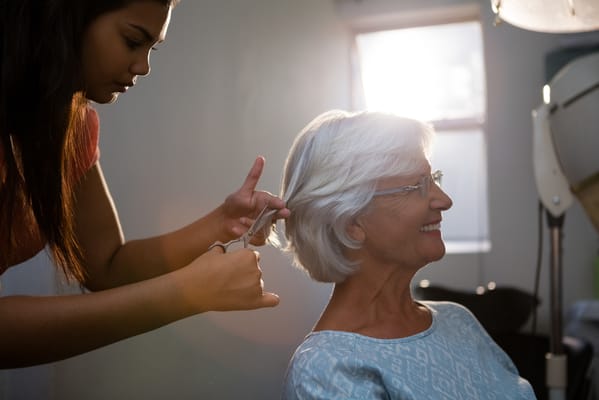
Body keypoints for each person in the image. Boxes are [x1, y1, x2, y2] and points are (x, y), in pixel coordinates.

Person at [0, 0, 289, 368]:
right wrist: (186, 294)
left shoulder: (69, 129)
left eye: (152, 48)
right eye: (132, 41)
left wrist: (220, 223)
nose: (144, 67)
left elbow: (107, 265)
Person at [276, 110, 536, 399]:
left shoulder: (457, 320)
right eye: (418, 186)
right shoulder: (325, 371)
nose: (444, 200)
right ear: (352, 223)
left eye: (433, 178)